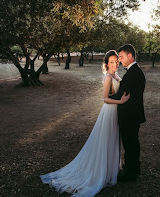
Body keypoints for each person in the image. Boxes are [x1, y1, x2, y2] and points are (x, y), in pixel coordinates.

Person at [40, 50, 129, 197]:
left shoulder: (116, 74)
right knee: (106, 140)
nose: (115, 64)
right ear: (107, 64)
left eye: (116, 61)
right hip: (109, 111)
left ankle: (110, 168)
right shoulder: (108, 77)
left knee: (112, 140)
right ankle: (100, 171)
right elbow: (105, 98)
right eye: (112, 62)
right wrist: (121, 101)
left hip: (116, 112)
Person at [110, 44, 146, 182]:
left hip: (130, 116)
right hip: (131, 114)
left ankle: (131, 173)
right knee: (131, 143)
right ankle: (132, 168)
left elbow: (122, 95)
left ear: (130, 56)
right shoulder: (133, 71)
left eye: (121, 56)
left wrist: (106, 98)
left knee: (130, 144)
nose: (119, 59)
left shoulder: (134, 74)